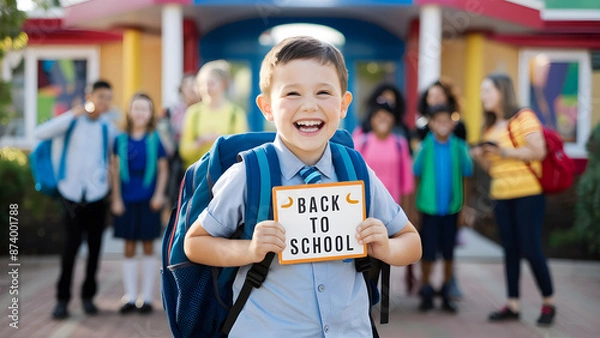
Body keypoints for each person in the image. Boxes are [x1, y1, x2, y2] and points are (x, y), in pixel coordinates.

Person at [184, 36, 422, 337]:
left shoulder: (355, 170)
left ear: (344, 104)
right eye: (292, 93)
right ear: (267, 107)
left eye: (323, 92)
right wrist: (250, 250)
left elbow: (411, 243)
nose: (309, 106)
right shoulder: (249, 174)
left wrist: (386, 247)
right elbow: (195, 244)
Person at [471, 73, 556, 326]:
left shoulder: (524, 117)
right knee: (509, 250)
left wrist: (502, 151)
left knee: (531, 249)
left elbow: (538, 151)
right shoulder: (489, 127)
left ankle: (549, 302)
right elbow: (493, 169)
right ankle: (513, 304)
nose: (482, 96)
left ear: (502, 91)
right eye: (481, 91)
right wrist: (480, 156)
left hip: (528, 194)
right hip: (502, 195)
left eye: (487, 90)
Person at [34, 80, 117, 320]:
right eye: (100, 96)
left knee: (94, 249)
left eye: (108, 98)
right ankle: (62, 300)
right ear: (89, 96)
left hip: (97, 196)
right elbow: (40, 133)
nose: (104, 102)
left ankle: (88, 297)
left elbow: (114, 156)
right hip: (70, 195)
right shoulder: (70, 122)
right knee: (69, 249)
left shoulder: (107, 128)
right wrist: (72, 114)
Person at [110, 93, 168, 314]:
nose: (140, 113)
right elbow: (114, 171)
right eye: (136, 108)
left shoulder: (155, 139)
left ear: (151, 113)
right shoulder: (120, 139)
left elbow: (163, 169)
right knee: (128, 245)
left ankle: (147, 297)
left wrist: (159, 195)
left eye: (145, 109)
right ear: (129, 111)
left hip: (148, 200)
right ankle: (130, 296)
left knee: (147, 245)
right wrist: (115, 198)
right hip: (125, 201)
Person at [413, 104, 473, 313]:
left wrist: (464, 208)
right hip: (428, 209)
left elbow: (466, 176)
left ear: (453, 123)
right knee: (427, 253)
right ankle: (426, 289)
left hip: (451, 209)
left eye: (446, 121)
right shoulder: (425, 147)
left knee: (448, 253)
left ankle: (446, 291)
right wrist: (414, 209)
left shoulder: (459, 147)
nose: (442, 125)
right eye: (438, 121)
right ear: (430, 124)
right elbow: (416, 175)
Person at [353, 102, 415, 294]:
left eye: (386, 116)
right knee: (365, 259)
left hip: (390, 212)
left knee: (382, 256)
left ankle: (376, 295)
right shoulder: (361, 142)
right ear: (372, 119)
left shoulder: (399, 144)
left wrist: (408, 211)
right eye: (378, 115)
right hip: (365, 212)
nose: (382, 119)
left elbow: (407, 181)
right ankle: (365, 297)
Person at [179, 60, 248, 169]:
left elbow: (242, 149)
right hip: (198, 177)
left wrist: (220, 142)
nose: (206, 88)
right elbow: (184, 152)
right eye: (202, 84)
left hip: (227, 175)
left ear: (223, 84)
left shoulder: (235, 114)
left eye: (211, 83)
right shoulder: (193, 113)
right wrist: (201, 141)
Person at [160, 74, 201, 204]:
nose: (192, 88)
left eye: (195, 84)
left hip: (198, 158)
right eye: (188, 85)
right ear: (181, 89)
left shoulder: (205, 110)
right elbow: (164, 135)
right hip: (176, 162)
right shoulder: (171, 111)